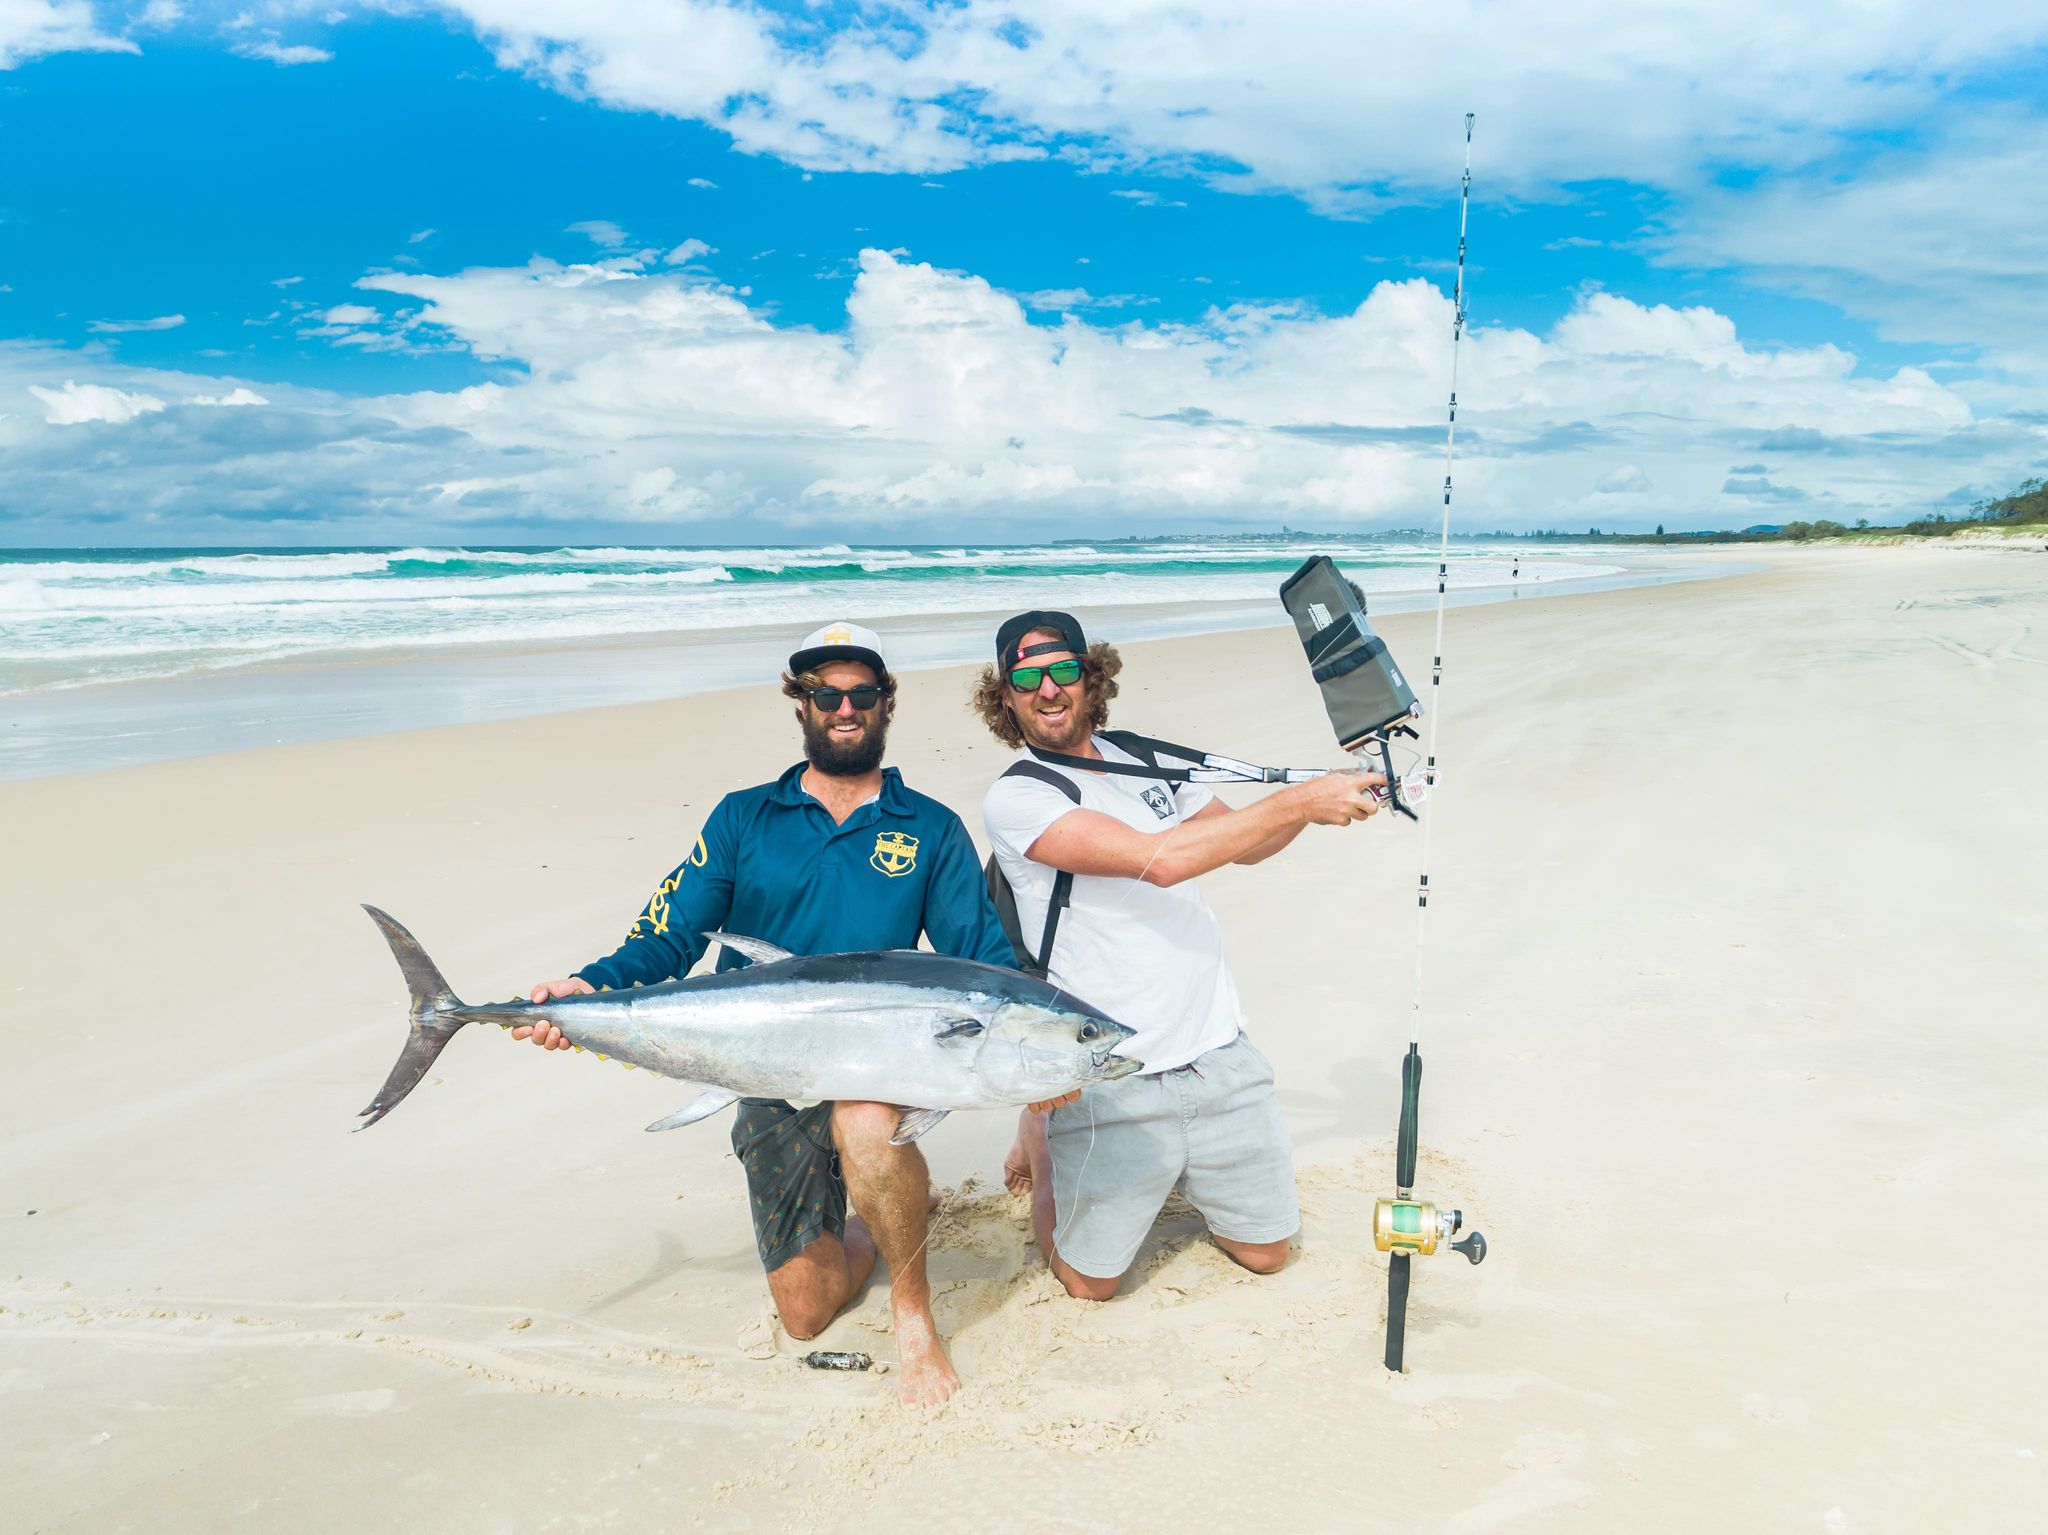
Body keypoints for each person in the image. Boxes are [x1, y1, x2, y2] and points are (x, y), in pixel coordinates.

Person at [517, 621, 1014, 1405]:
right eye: (826, 694)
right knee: (807, 1312)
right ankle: (884, 1208)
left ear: (885, 702)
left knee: (866, 1123)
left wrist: (1045, 1049)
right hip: (764, 1066)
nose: (844, 708)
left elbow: (984, 965)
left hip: (875, 1070)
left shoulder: (931, 829)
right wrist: (590, 987)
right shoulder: (743, 818)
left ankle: (914, 1311)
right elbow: (670, 933)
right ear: (802, 705)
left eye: (860, 693)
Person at [973, 610, 1383, 1300]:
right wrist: (1301, 800)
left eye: (1064, 670)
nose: (1048, 689)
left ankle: (1188, 1166)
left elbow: (1247, 844)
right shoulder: (1019, 795)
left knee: (1267, 1253)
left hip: (1216, 1049)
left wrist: (1312, 810)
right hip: (1113, 1068)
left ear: (1090, 677)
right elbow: (1157, 861)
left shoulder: (1147, 759)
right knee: (1088, 1282)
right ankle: (1042, 1134)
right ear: (1006, 696)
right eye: (1026, 677)